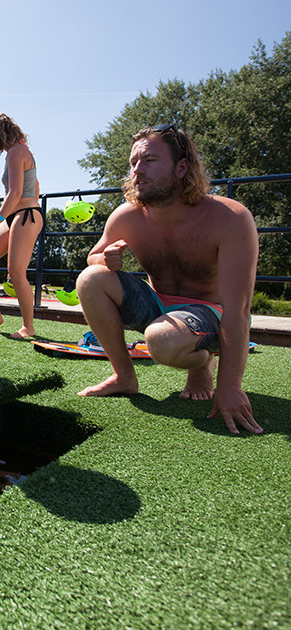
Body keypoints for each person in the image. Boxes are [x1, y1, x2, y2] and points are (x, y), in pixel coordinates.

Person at [75, 123, 261, 435]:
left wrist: (230, 386)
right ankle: (124, 376)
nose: (137, 170)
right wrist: (105, 259)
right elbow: (94, 256)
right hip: (157, 304)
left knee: (161, 340)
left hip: (209, 312)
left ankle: (203, 364)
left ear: (181, 167)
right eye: (133, 162)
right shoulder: (126, 215)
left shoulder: (230, 217)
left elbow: (237, 308)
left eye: (149, 161)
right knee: (91, 278)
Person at [0, 114, 43, 338]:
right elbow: (35, 186)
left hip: (26, 215)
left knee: (16, 271)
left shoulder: (17, 152)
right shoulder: (18, 152)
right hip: (16, 215)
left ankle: (28, 327)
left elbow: (15, 192)